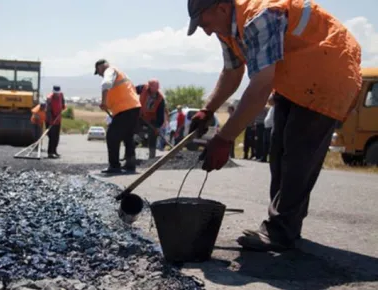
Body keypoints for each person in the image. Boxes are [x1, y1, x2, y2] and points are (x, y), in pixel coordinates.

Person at [186, 0, 362, 251]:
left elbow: (260, 88)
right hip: (296, 80)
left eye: (204, 23)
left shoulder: (261, 17)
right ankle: (284, 225)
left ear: (222, 9)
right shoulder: (228, 29)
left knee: (298, 155)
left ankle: (281, 230)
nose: (206, 31)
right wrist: (208, 109)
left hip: (328, 72)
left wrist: (225, 139)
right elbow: (231, 72)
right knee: (278, 154)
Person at [94, 59, 141, 173]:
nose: (100, 75)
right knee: (127, 137)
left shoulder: (109, 70)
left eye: (98, 72)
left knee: (112, 136)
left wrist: (104, 102)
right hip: (133, 107)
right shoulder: (121, 73)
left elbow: (106, 84)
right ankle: (130, 165)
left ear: (100, 67)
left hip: (125, 109)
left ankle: (114, 166)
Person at [136, 79, 167, 159]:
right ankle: (129, 155)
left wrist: (156, 126)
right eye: (153, 89)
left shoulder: (160, 99)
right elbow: (131, 91)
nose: (154, 91)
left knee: (152, 135)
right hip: (140, 116)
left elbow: (160, 117)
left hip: (152, 120)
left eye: (156, 89)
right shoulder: (142, 88)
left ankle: (152, 157)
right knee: (137, 135)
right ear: (149, 87)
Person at [46, 85, 66, 159]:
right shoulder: (49, 98)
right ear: (53, 92)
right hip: (50, 120)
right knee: (52, 137)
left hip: (58, 119)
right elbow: (48, 111)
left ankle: (54, 151)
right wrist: (51, 121)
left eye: (58, 93)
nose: (57, 95)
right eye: (55, 93)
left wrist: (63, 106)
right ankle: (50, 153)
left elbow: (63, 102)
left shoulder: (61, 95)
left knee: (56, 137)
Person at [261, 96, 275, 162]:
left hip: (271, 128)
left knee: (270, 144)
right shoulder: (271, 108)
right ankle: (264, 157)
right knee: (265, 143)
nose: (268, 102)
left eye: (269, 101)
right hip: (266, 128)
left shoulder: (276, 107)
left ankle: (270, 159)